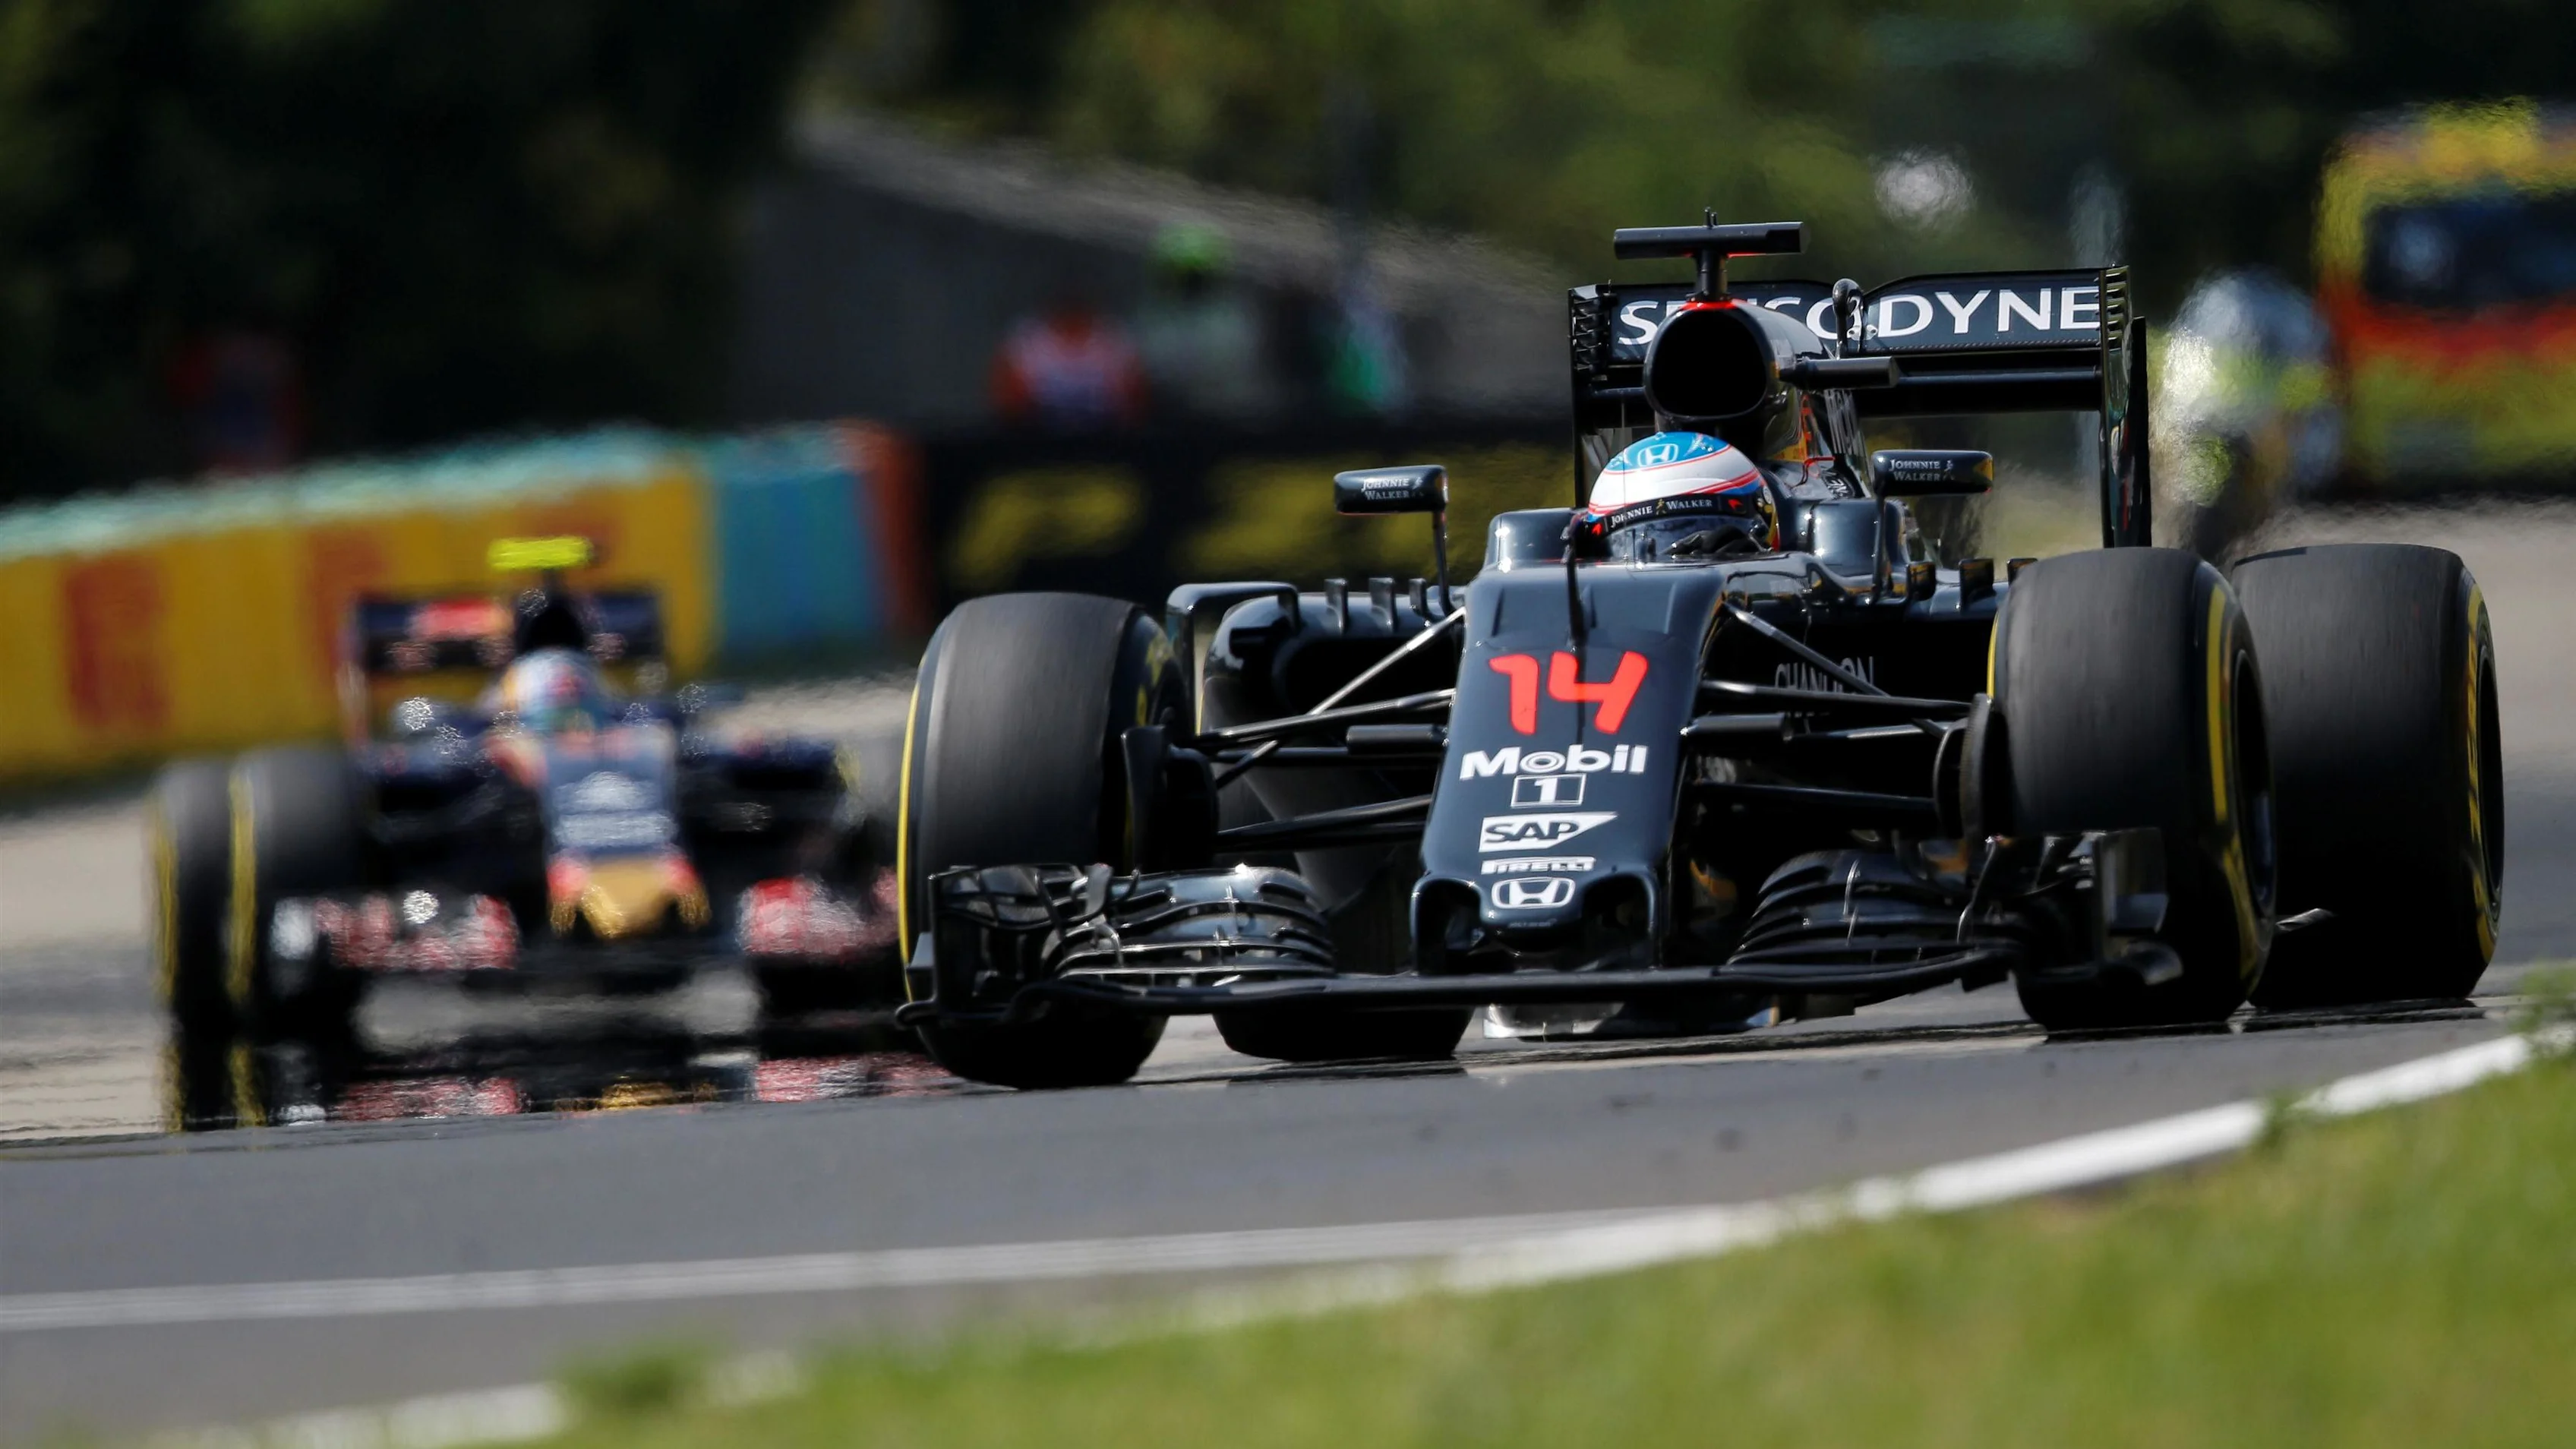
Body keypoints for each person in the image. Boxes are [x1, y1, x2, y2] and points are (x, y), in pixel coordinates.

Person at [1132, 224, 1272, 421]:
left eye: (1196, 278)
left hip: (1224, 418)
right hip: (1166, 419)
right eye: (1183, 277)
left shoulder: (1231, 323)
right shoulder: (1155, 322)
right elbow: (1150, 369)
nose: (1190, 287)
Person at [990, 289, 1147, 430]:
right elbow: (1009, 403)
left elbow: (1134, 401)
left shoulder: (1113, 337)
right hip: (1038, 433)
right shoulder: (1027, 338)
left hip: (1104, 433)